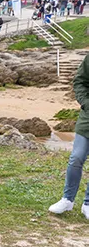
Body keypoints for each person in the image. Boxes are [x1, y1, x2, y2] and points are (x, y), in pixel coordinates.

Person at [49, 54, 89, 218]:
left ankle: (87, 204)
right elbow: (80, 82)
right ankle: (67, 200)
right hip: (88, 119)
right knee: (77, 157)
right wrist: (86, 103)